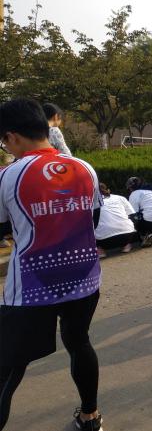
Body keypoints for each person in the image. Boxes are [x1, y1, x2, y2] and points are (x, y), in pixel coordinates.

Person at [0, 98, 104, 431]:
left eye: (4, 141)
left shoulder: (8, 175)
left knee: (8, 366)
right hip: (84, 278)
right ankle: (90, 418)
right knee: (79, 341)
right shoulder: (84, 167)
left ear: (12, 136)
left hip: (31, 287)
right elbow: (93, 220)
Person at [95, 183, 138, 258]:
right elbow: (133, 215)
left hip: (104, 241)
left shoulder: (91, 203)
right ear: (107, 189)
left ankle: (100, 250)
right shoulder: (120, 198)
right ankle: (126, 245)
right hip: (127, 236)